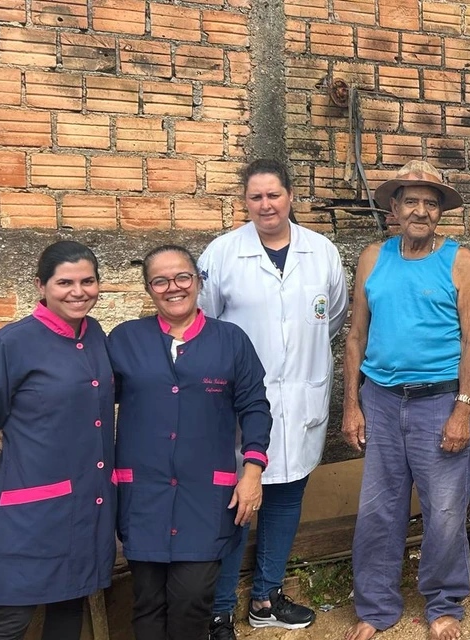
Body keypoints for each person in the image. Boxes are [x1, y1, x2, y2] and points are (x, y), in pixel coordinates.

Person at [198, 159, 348, 638]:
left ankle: (266, 598)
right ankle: (220, 610)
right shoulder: (222, 254)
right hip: (240, 407)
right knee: (236, 507)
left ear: (290, 197)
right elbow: (205, 325)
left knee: (285, 498)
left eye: (274, 195)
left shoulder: (321, 252)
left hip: (302, 397)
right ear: (245, 202)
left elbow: (333, 317)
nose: (266, 205)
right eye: (256, 197)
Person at [341, 160, 470, 640]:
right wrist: (352, 405)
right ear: (395, 208)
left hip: (439, 402)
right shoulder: (373, 257)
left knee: (444, 510)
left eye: (431, 203)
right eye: (411, 201)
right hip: (380, 401)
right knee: (378, 509)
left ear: (440, 212)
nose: (421, 211)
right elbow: (356, 337)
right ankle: (376, 608)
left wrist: (463, 408)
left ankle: (443, 604)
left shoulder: (460, 261)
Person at [108, 245, 273, 640]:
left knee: (192, 598)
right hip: (143, 493)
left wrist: (253, 473)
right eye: (160, 281)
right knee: (148, 601)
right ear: (148, 289)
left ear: (198, 281)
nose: (173, 287)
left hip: (205, 495)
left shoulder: (231, 340)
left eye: (182, 277)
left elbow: (255, 407)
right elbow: (90, 402)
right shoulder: (124, 339)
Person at [0, 241, 115, 640]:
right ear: (41, 286)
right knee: (12, 619)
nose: (78, 292)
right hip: (29, 511)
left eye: (88, 281)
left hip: (86, 503)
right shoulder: (10, 344)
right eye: (65, 283)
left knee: (69, 608)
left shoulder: (96, 335)